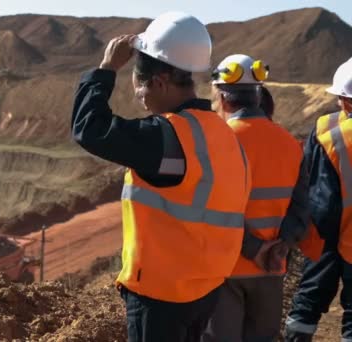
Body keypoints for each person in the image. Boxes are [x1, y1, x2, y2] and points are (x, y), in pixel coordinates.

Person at [71, 12, 251, 342]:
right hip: (205, 288)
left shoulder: (168, 137)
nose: (139, 98)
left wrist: (106, 69)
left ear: (159, 82)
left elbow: (89, 129)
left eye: (139, 88)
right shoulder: (222, 134)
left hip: (161, 296)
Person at [202, 54, 310, 341]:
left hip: (225, 268)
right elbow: (301, 208)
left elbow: (208, 209)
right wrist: (280, 245)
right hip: (271, 268)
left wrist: (252, 248)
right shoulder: (290, 144)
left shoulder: (216, 143)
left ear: (222, 99)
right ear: (258, 96)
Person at [284, 57, 352, 342]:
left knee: (308, 303)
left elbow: (316, 188)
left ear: (347, 101)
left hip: (326, 236)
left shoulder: (328, 129)